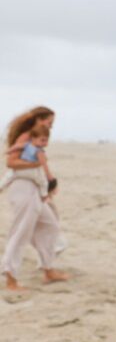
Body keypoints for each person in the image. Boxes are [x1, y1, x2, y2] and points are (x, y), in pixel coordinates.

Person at [1, 106, 69, 291]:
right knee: (21, 232)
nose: (51, 126)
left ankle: (48, 269)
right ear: (39, 119)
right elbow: (11, 162)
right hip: (23, 188)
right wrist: (35, 163)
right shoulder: (25, 136)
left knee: (50, 225)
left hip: (34, 188)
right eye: (49, 122)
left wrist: (49, 181)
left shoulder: (37, 139)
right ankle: (10, 278)